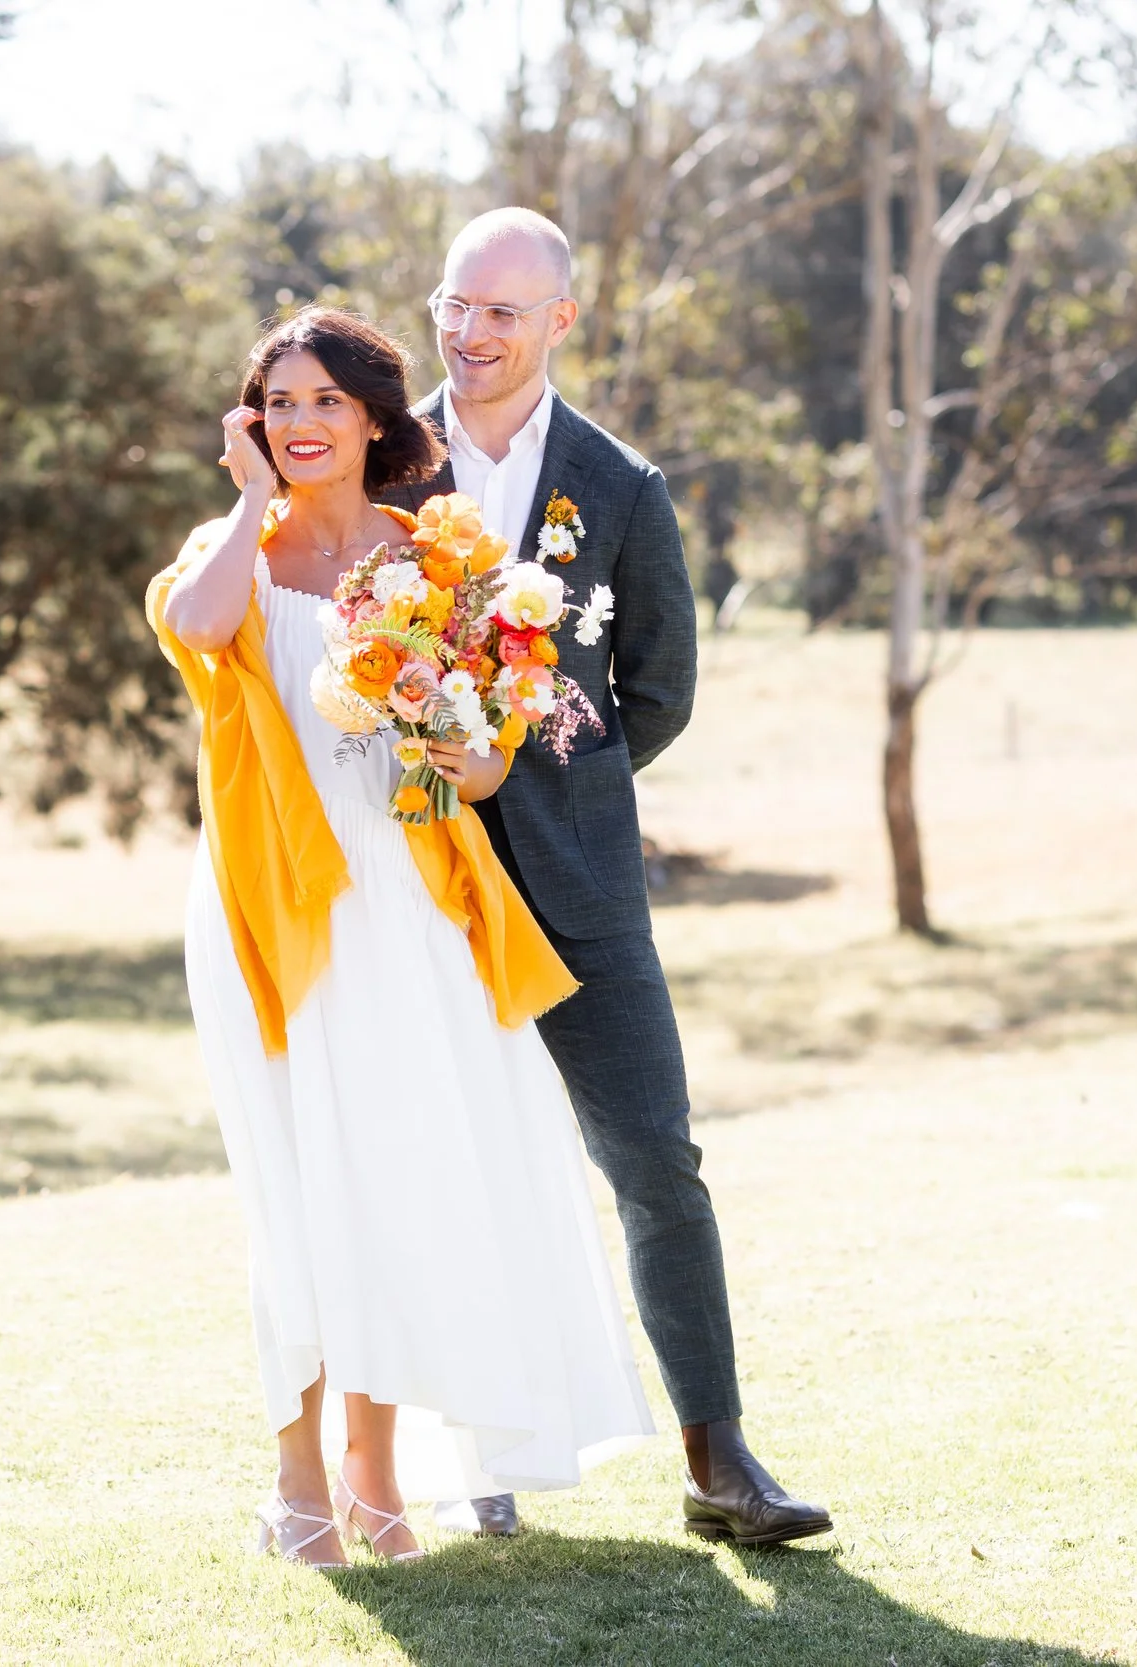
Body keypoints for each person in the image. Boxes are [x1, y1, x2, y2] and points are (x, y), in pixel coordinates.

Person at [151, 307, 654, 1566]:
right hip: (275, 905)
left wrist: (441, 724)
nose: (300, 422)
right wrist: (248, 498)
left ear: (377, 418)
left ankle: (377, 1486)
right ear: (251, 426)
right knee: (300, 1188)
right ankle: (295, 1486)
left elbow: (484, 768)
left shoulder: (435, 558)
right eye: (276, 402)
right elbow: (201, 629)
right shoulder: (230, 552)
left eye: (324, 401)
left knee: (391, 1180)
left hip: (412, 900)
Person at [382, 207, 831, 1547]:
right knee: (434, 1158)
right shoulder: (380, 454)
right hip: (412, 869)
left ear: (561, 321)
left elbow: (663, 692)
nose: (469, 334)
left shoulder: (621, 486)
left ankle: (719, 1458)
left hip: (581, 875)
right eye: (453, 306)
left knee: (654, 1153)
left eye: (501, 313)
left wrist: (536, 751)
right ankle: (479, 1461)